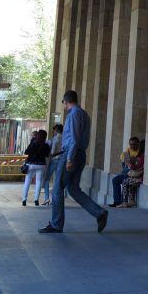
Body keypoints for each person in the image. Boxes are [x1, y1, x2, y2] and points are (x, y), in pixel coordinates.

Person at [39, 90, 108, 234]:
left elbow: (74, 139)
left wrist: (70, 158)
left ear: (65, 102)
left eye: (63, 103)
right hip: (79, 154)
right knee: (73, 189)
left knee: (57, 189)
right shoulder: (83, 114)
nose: (64, 106)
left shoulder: (74, 114)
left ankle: (56, 224)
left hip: (72, 154)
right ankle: (99, 213)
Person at [111, 137, 144, 208]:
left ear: (138, 144)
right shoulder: (127, 152)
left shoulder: (141, 152)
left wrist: (132, 163)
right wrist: (129, 163)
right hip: (129, 172)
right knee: (115, 180)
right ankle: (116, 201)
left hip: (135, 174)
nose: (132, 146)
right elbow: (126, 165)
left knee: (125, 179)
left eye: (134, 144)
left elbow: (137, 167)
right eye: (131, 144)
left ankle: (123, 201)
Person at [21, 129, 51, 206]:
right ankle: (36, 200)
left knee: (27, 181)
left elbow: (26, 152)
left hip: (31, 164)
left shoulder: (33, 143)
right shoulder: (46, 145)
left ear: (37, 136)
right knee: (39, 182)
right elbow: (47, 155)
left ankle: (24, 199)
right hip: (41, 165)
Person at [40, 123, 63, 205]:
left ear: (56, 130)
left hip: (54, 160)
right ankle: (55, 199)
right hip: (62, 160)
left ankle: (47, 198)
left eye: (53, 130)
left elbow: (52, 152)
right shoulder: (65, 138)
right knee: (58, 180)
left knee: (46, 179)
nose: (53, 132)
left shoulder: (55, 139)